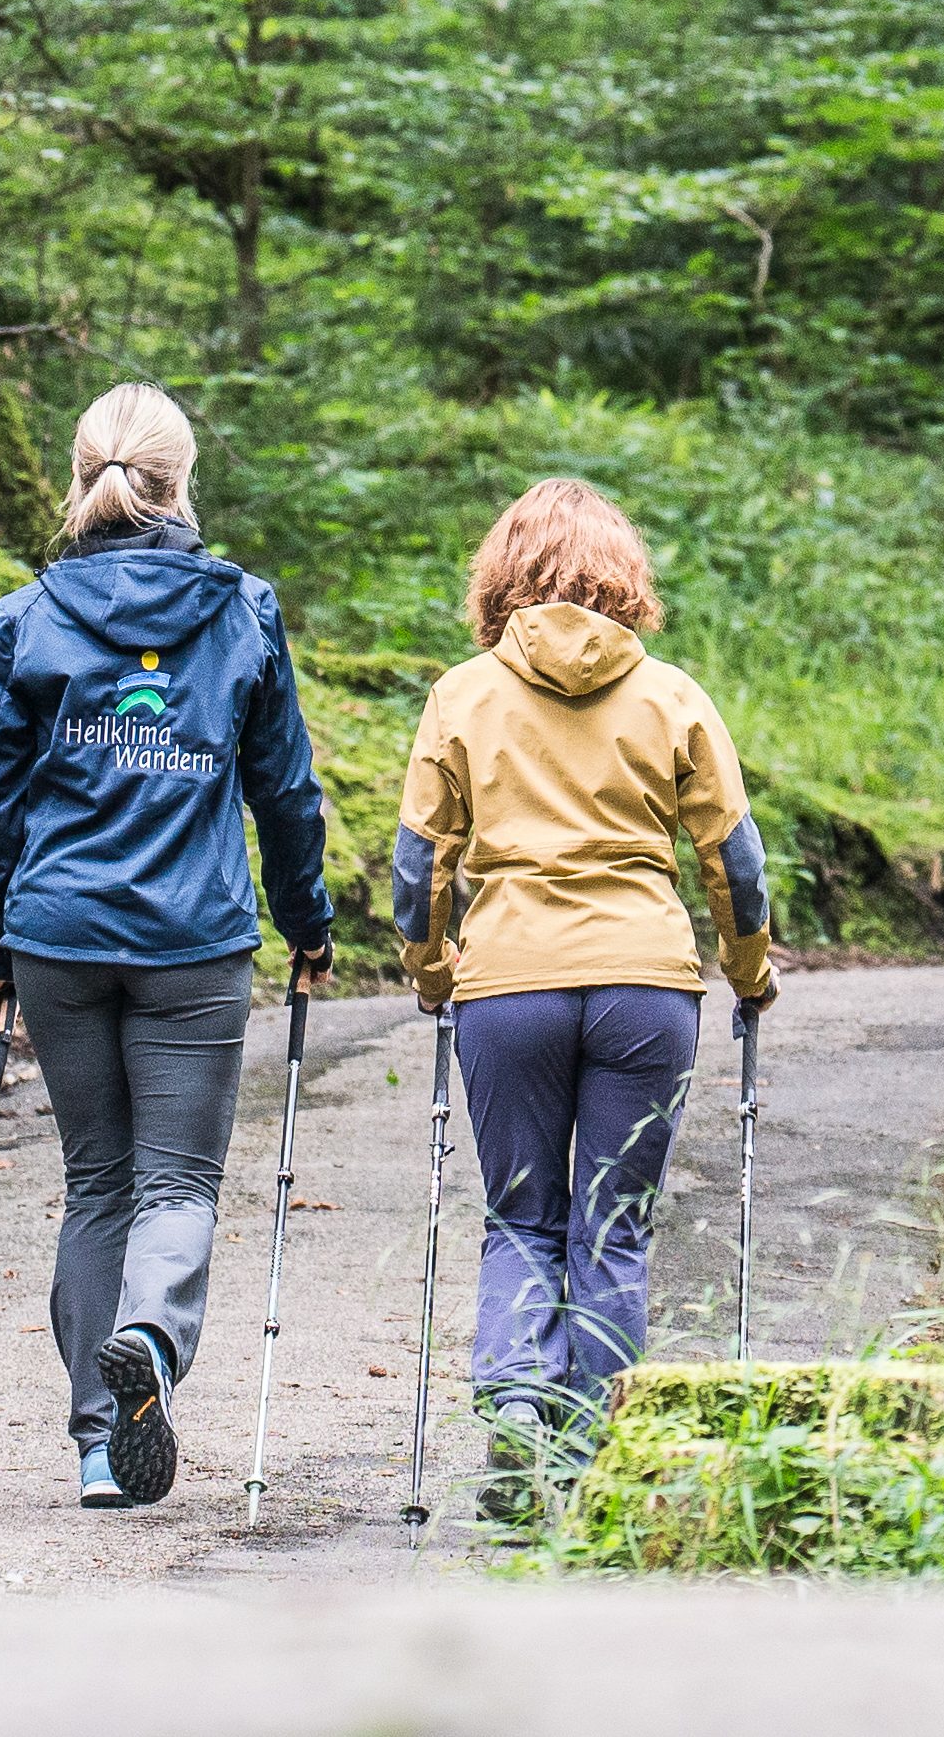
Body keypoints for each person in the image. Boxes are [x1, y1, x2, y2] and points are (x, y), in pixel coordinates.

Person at [0, 383, 335, 1511]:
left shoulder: (27, 615)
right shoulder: (241, 609)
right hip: (192, 938)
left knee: (97, 1183)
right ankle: (152, 1341)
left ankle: (95, 1442)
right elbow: (284, 788)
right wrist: (308, 922)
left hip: (58, 935)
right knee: (177, 1181)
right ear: (182, 480)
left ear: (78, 478)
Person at [392, 475, 773, 1503]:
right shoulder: (672, 695)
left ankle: (518, 1402)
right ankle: (599, 1454)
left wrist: (433, 970)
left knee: (523, 1214)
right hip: (644, 984)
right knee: (614, 1224)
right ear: (624, 577)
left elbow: (419, 865)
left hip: (509, 983)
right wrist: (749, 970)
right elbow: (733, 861)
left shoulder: (463, 694)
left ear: (501, 575)